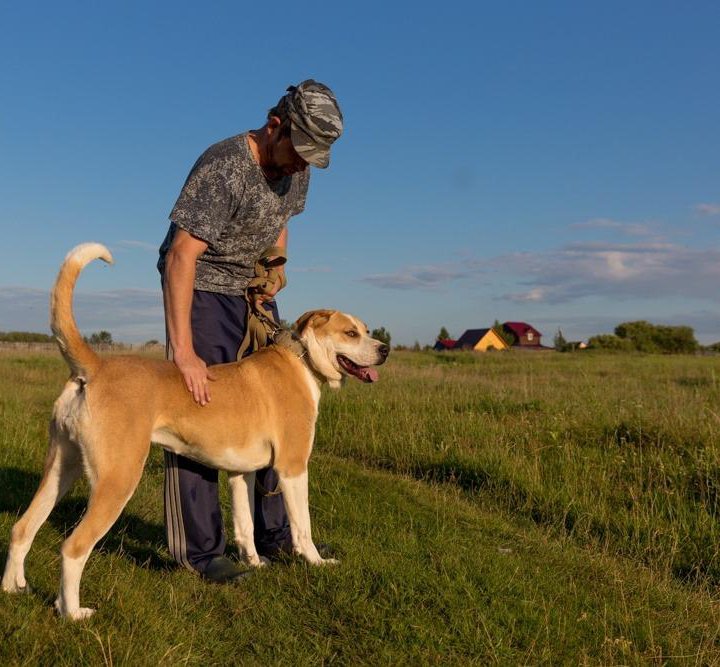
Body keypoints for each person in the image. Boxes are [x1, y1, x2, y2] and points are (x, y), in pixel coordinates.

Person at [157, 80, 343, 583]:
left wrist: (275, 266)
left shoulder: (296, 168)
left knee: (277, 413)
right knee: (196, 412)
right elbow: (179, 257)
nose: (301, 165)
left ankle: (275, 536)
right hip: (202, 289)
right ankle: (199, 552)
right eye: (298, 151)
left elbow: (282, 218)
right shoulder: (224, 166)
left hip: (252, 292)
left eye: (312, 157)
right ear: (274, 124)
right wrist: (184, 351)